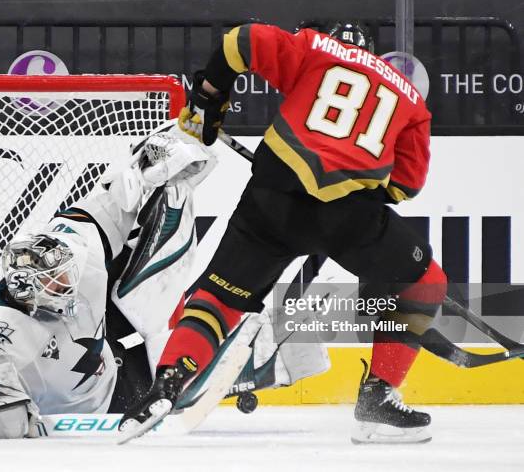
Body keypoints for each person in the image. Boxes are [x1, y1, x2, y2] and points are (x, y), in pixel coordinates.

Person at [120, 22, 447, 444]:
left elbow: (238, 42)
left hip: (272, 197)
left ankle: (165, 384)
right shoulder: (409, 97)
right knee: (425, 281)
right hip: (346, 217)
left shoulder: (315, 48)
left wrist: (209, 100)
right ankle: (378, 400)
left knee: (218, 299)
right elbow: (405, 186)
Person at [0, 126, 216, 438]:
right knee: (183, 380)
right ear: (30, 295)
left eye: (62, 277)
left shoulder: (76, 245)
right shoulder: (4, 331)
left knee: (184, 334)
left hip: (102, 350)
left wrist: (159, 164)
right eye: (54, 285)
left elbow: (123, 194)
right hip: (101, 401)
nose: (62, 286)